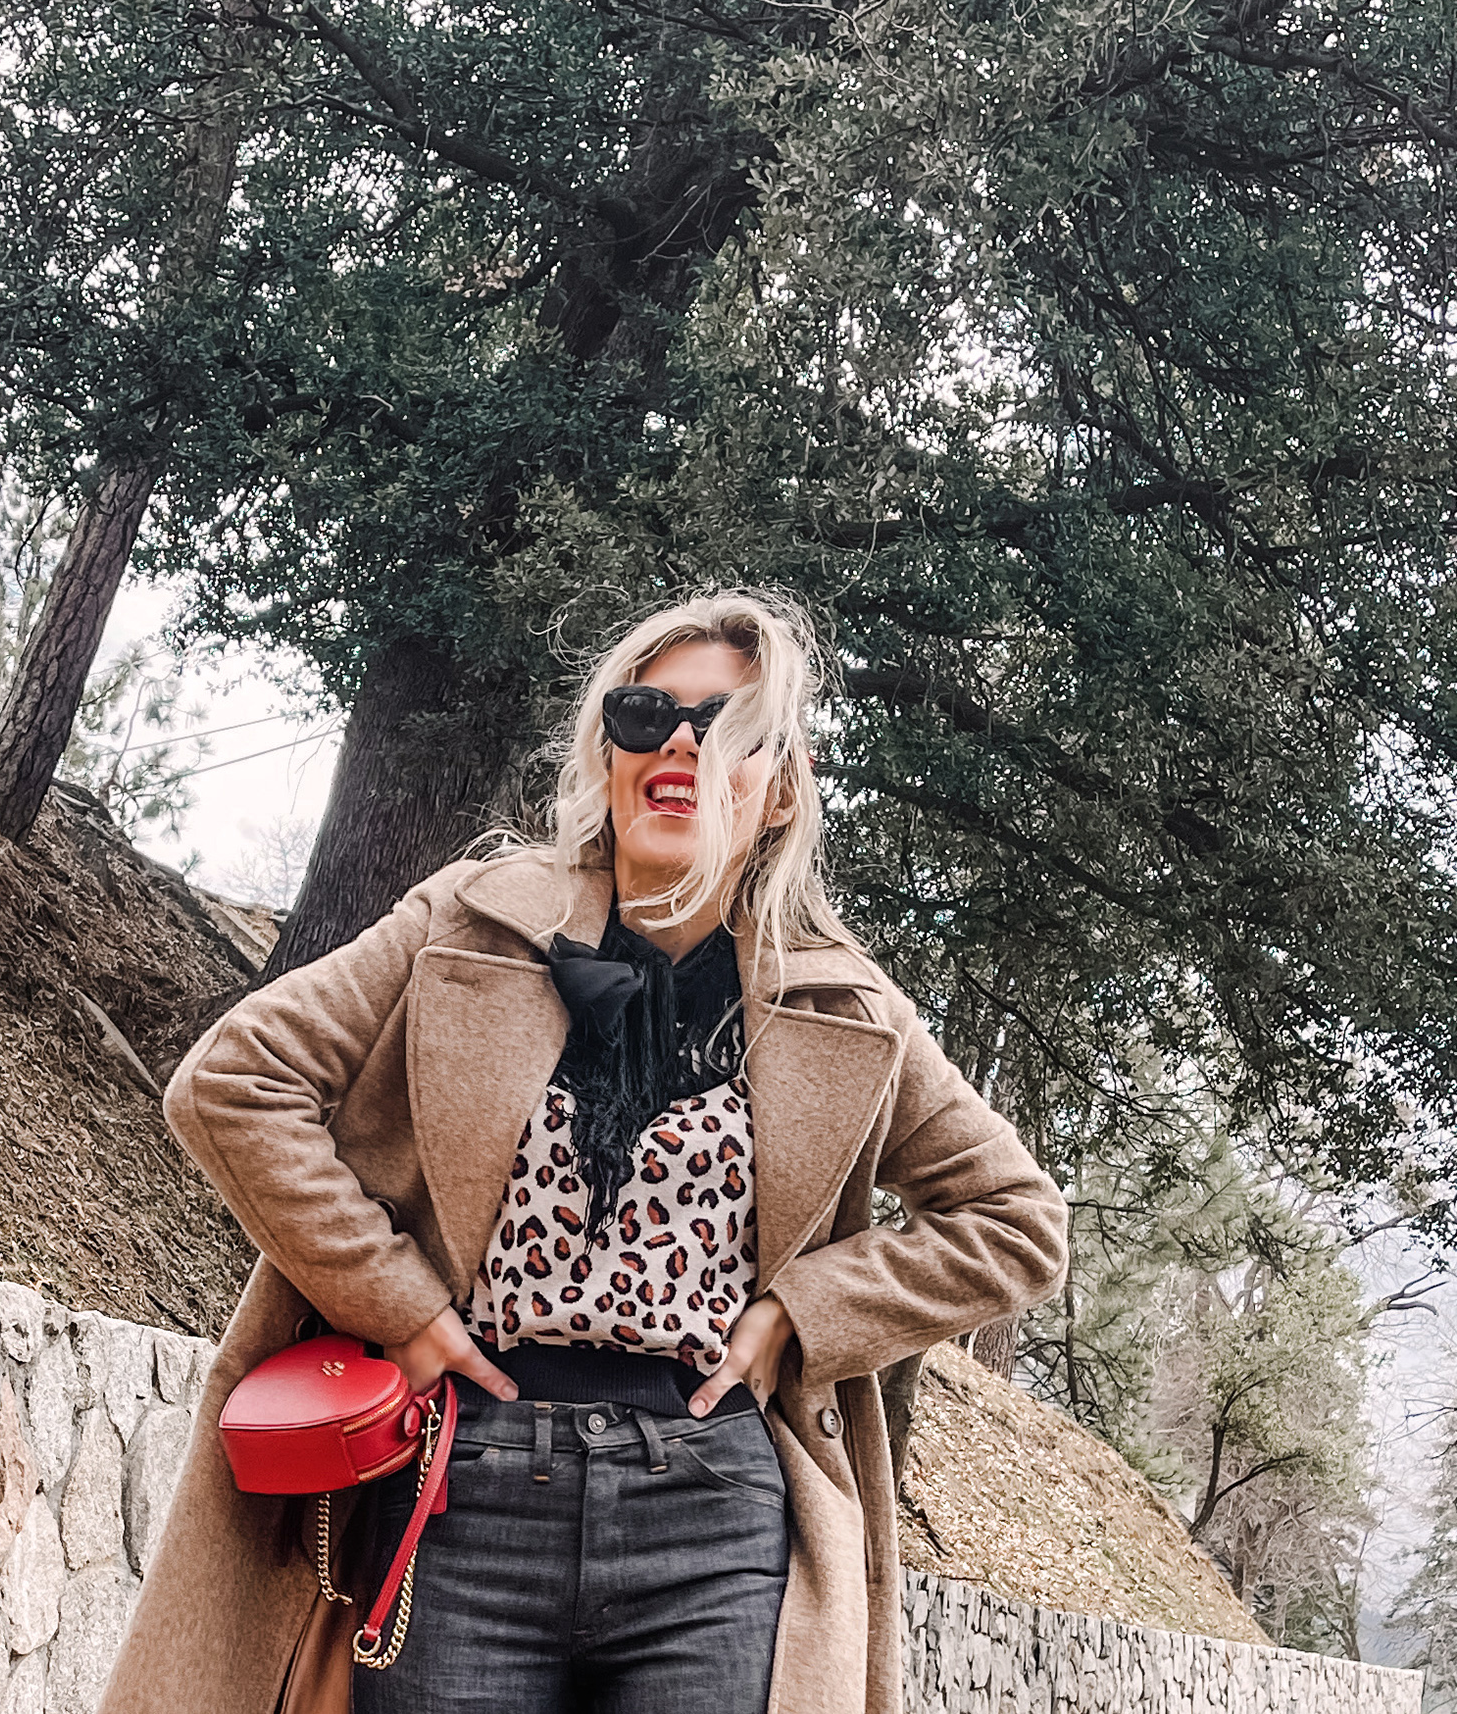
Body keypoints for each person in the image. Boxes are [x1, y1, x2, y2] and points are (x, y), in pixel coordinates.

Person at [97, 590, 1067, 1714]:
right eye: (648, 712)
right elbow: (232, 1084)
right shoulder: (465, 920)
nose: (682, 744)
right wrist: (397, 1301)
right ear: (608, 750)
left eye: (729, 724)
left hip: (713, 1514)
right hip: (462, 1482)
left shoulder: (846, 1007)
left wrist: (798, 1311)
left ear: (780, 782)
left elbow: (1015, 1220)